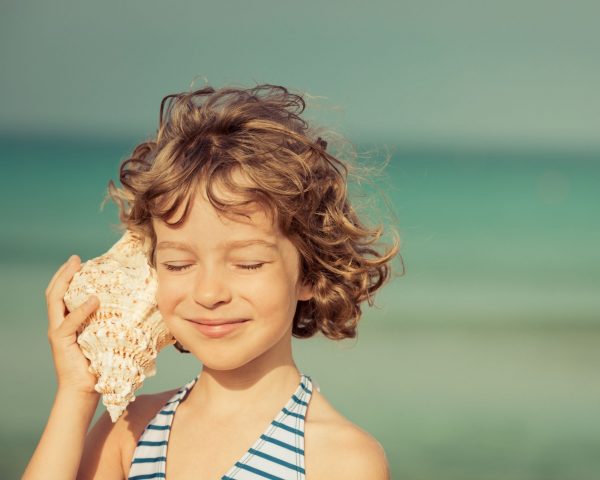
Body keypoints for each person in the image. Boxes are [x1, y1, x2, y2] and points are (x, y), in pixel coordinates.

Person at [24, 83, 402, 479]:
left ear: (309, 272)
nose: (208, 293)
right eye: (178, 264)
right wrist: (77, 394)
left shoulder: (339, 460)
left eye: (248, 263)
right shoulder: (131, 431)